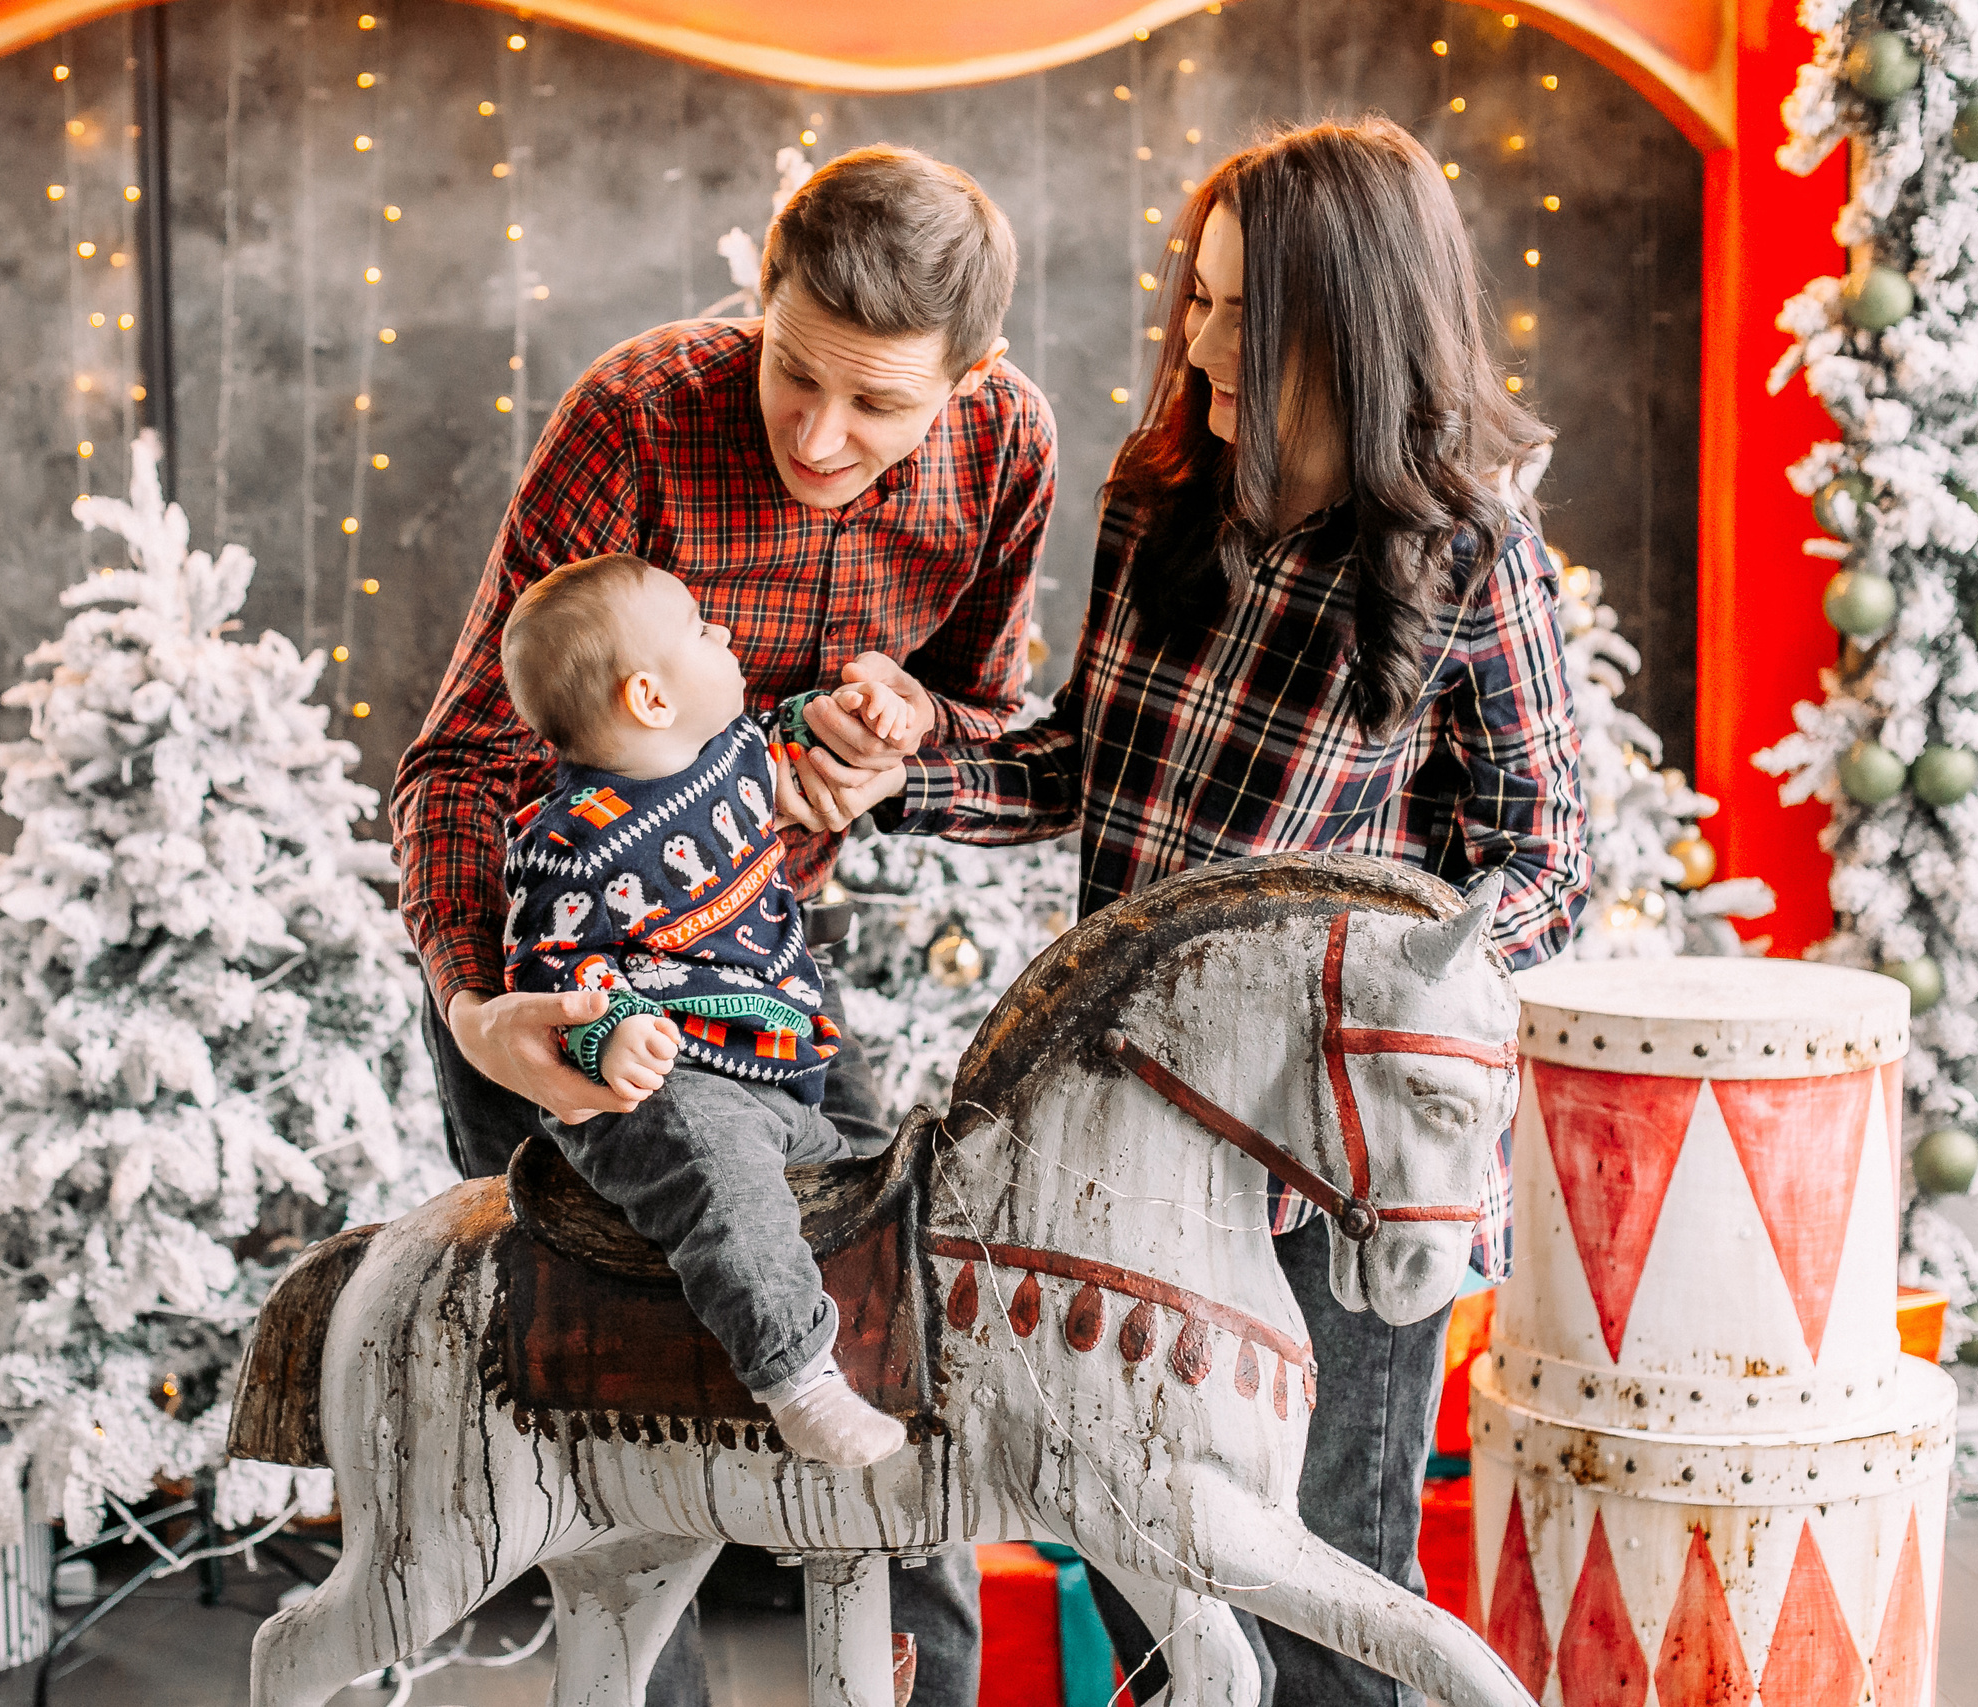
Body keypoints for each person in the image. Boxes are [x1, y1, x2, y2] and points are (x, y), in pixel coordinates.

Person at [781, 118, 1589, 1707]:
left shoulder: (1469, 552)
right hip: (1128, 1175)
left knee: (1325, 1591)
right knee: (1156, 1577)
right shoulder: (1165, 501)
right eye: (1196, 295)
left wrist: (1387, 983)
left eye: (1237, 307)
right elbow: (1082, 764)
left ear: (1343, 322)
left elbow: (1546, 866)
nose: (1197, 336)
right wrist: (905, 768)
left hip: (1327, 1187)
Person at [394, 143, 1056, 1707]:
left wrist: (908, 739)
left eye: (879, 405)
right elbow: (465, 756)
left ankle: (929, 1691)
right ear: (758, 294)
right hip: (557, 988)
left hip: (765, 978)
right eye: (794, 375)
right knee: (597, 1406)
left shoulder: (1009, 450)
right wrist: (484, 1009)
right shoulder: (637, 415)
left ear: (973, 379)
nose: (823, 437)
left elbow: (986, 713)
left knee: (903, 1307)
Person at [496, 552, 917, 1466]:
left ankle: (897, 1358)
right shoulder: (570, 844)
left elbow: (783, 734)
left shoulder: (728, 757)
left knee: (865, 1188)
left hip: (775, 1069)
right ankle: (796, 1374)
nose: (721, 633)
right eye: (698, 629)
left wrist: (841, 717)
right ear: (649, 698)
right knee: (719, 1175)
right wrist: (609, 1035)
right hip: (664, 1085)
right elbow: (551, 970)